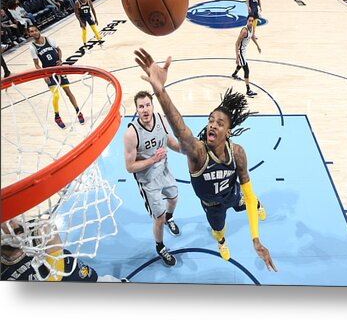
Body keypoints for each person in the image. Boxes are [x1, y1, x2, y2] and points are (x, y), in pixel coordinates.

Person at [133, 48, 277, 271]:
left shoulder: (237, 152)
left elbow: (247, 193)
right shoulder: (198, 153)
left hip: (232, 194)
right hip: (212, 206)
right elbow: (181, 131)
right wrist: (160, 92)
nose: (212, 124)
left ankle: (259, 206)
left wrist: (255, 239)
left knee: (248, 201)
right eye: (211, 120)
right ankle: (221, 242)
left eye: (220, 123)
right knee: (218, 231)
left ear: (228, 132)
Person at [123, 91, 182, 267]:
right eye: (141, 107)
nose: (145, 109)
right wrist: (152, 160)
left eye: (147, 105)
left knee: (173, 198)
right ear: (137, 110)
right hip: (147, 180)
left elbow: (169, 140)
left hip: (164, 170)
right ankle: (160, 246)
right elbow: (129, 167)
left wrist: (185, 149)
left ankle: (170, 218)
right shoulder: (131, 134)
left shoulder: (160, 119)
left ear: (152, 106)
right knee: (159, 217)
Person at [1, 219, 121, 282]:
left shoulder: (38, 229)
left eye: (11, 219)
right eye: (4, 222)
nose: (12, 223)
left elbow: (57, 276)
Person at [27, 25, 85, 129]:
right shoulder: (32, 47)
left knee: (68, 92)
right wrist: (43, 75)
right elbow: (36, 64)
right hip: (48, 72)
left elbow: (59, 50)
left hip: (59, 69)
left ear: (38, 30)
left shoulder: (49, 40)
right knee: (56, 95)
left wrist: (60, 59)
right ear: (29, 34)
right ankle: (57, 117)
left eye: (35, 30)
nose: (34, 32)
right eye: (31, 32)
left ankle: (78, 111)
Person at [231, 15, 261, 97]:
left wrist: (257, 46)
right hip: (240, 50)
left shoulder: (252, 28)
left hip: (244, 50)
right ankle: (248, 90)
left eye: (252, 21)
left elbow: (252, 37)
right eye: (249, 21)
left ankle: (234, 74)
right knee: (246, 70)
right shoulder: (244, 31)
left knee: (242, 63)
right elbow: (236, 43)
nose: (251, 22)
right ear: (247, 21)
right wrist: (237, 56)